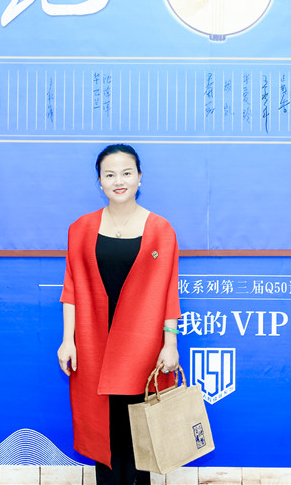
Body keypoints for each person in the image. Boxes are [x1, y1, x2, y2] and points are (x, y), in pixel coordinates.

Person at [58, 144, 181, 485]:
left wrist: (170, 343)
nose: (119, 181)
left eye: (126, 173)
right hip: (94, 342)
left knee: (140, 429)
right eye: (110, 175)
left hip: (142, 343)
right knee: (105, 429)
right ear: (99, 182)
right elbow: (71, 288)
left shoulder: (161, 229)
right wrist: (68, 340)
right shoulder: (80, 229)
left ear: (140, 178)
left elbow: (169, 291)